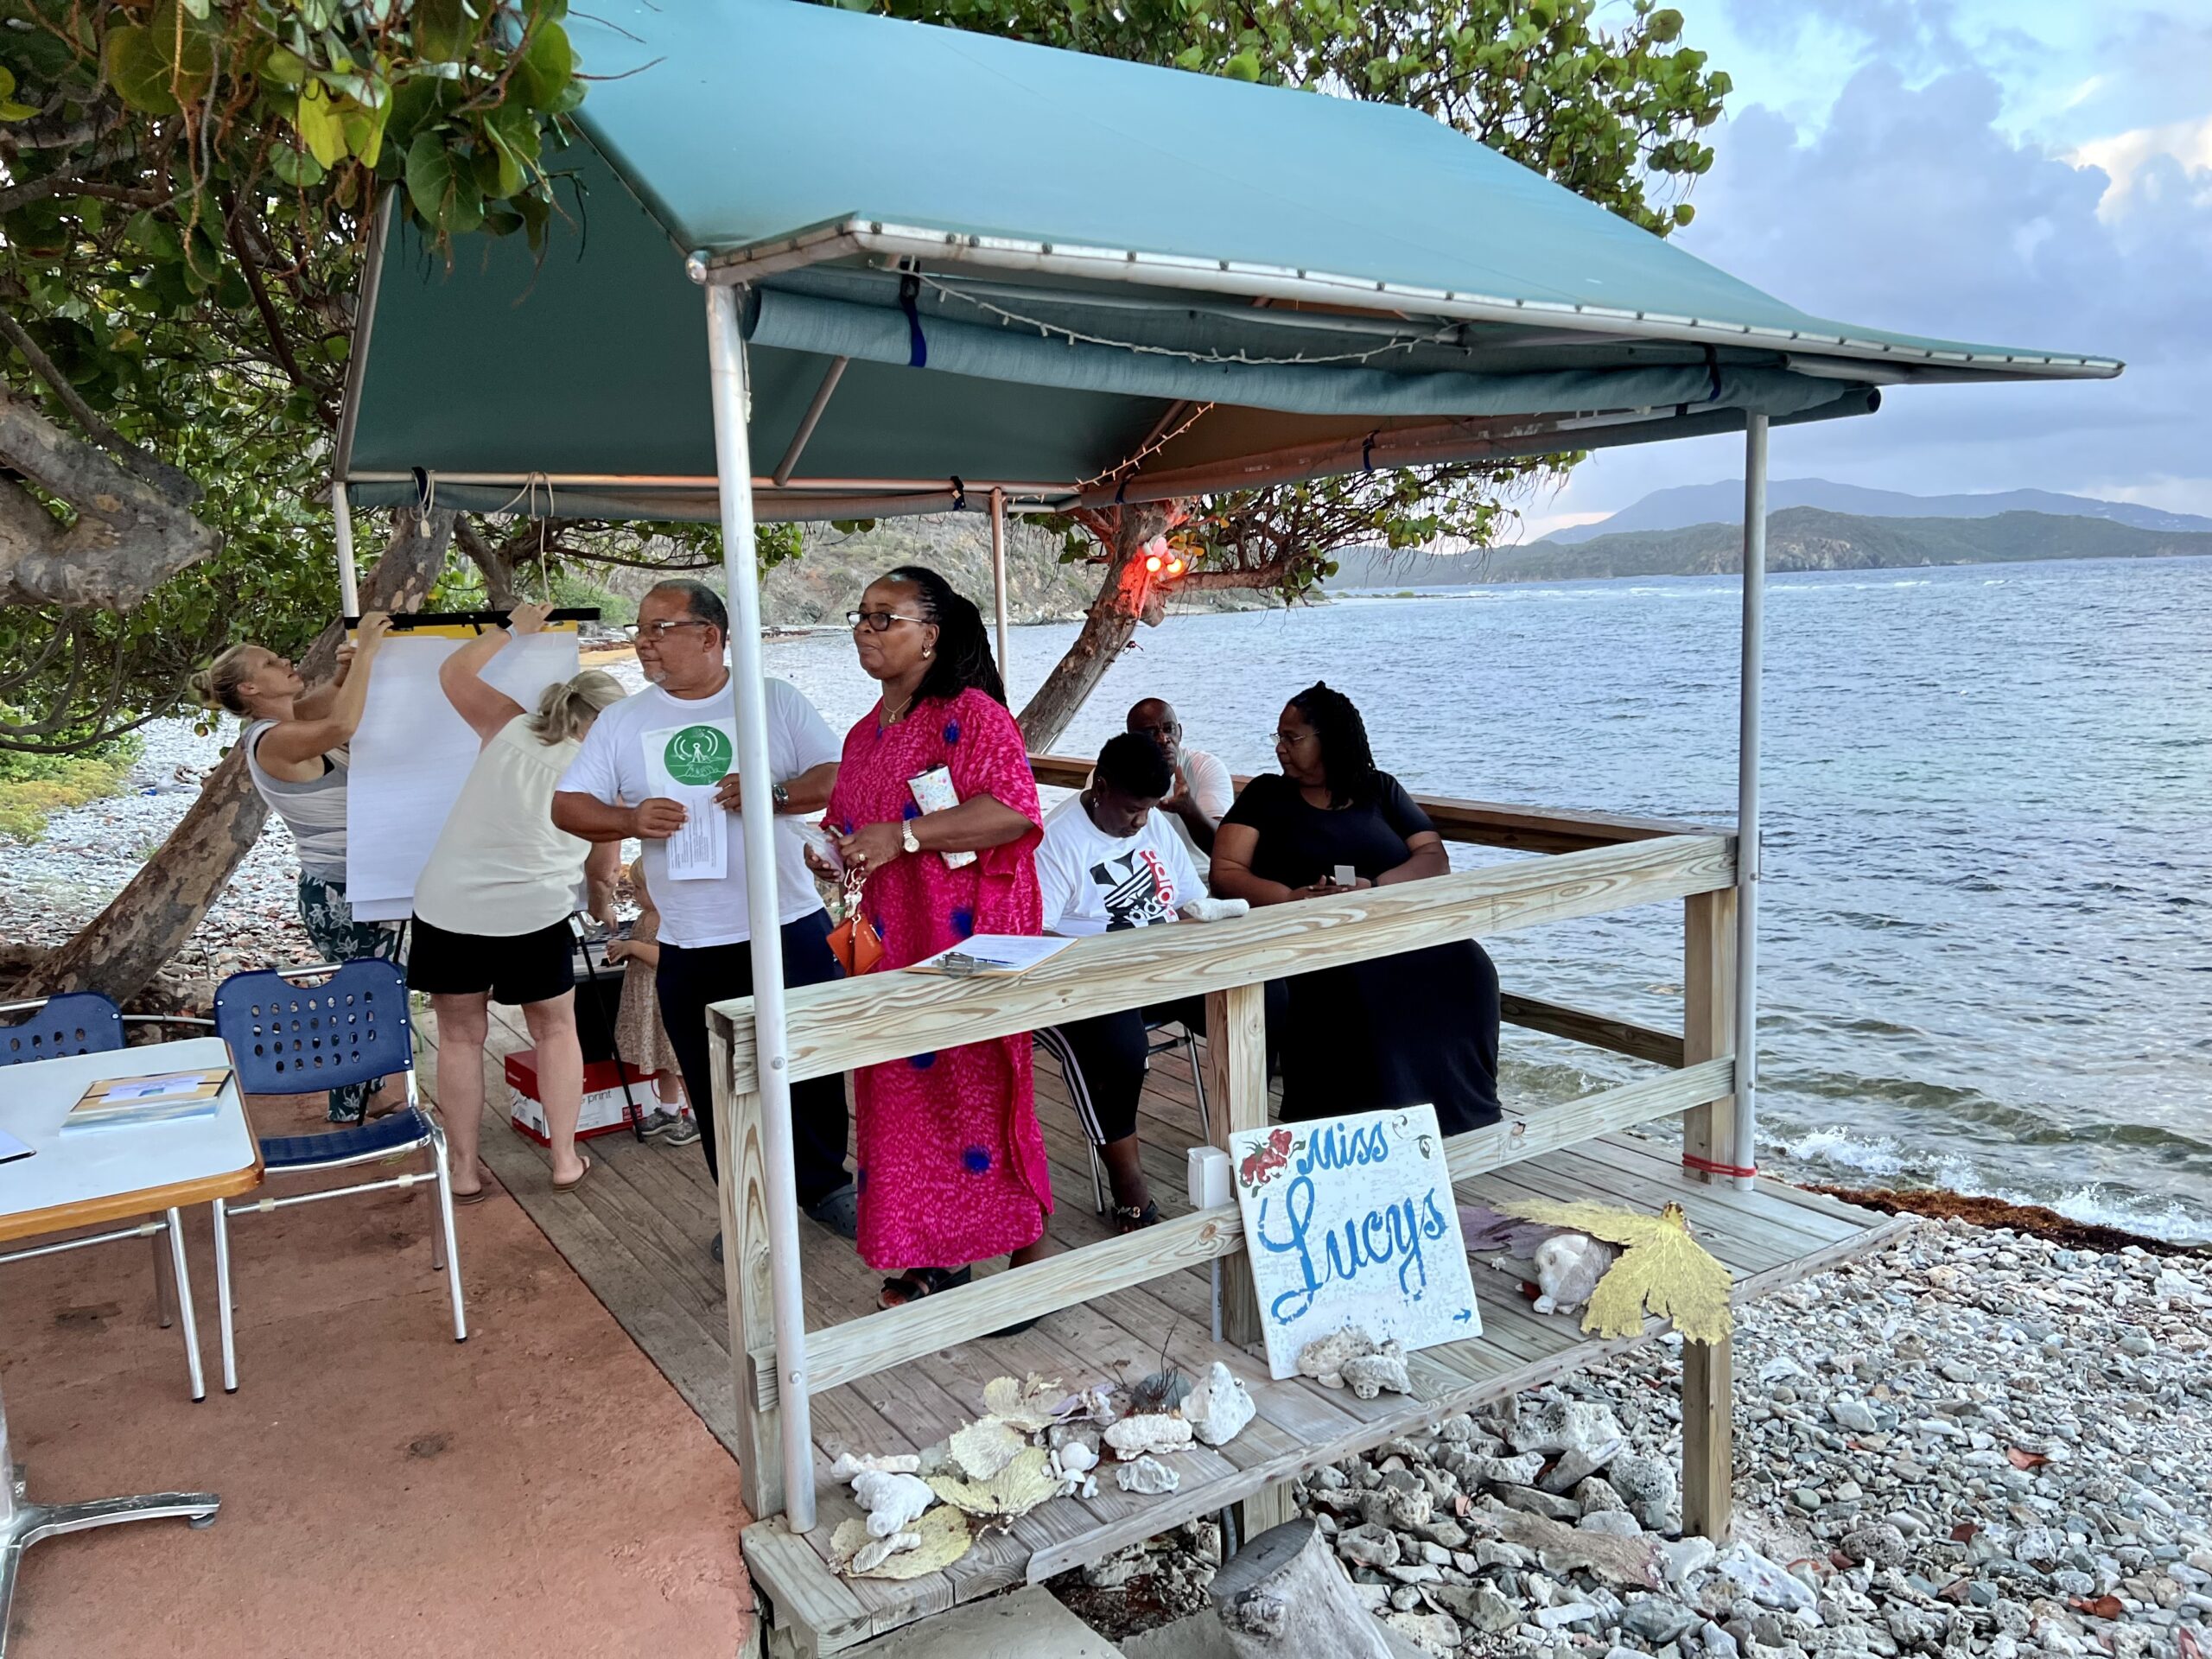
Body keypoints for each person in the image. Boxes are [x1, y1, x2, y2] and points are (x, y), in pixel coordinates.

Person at [551, 579, 851, 1259]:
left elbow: (838, 775)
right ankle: (747, 1204)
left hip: (788, 920)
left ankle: (826, 1185)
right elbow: (567, 806)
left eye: (660, 628)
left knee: (809, 1064)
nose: (642, 641)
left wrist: (775, 794)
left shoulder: (769, 699)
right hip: (690, 936)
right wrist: (629, 819)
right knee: (716, 1081)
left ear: (710, 636)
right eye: (641, 628)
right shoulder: (625, 722)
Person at [815, 565, 1052, 1309]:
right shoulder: (863, 734)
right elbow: (855, 823)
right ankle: (930, 1256)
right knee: (898, 1101)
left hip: (969, 938)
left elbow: (1012, 811)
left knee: (980, 1093)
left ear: (932, 637)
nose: (866, 629)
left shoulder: (973, 714)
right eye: (861, 615)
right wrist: (831, 847)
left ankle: (1022, 1266)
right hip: (889, 942)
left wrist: (906, 835)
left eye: (886, 618)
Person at [1210, 682, 1503, 1135]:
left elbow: (1433, 857)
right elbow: (1226, 871)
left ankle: (1459, 1117)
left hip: (1392, 927)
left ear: (1329, 739)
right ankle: (1377, 1127)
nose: (1281, 749)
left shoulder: (1379, 789)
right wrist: (1290, 898)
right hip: (1310, 939)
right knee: (1359, 988)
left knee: (1470, 966)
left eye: (1293, 738)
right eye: (1278, 738)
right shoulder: (1266, 795)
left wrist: (1376, 887)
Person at [408, 602, 625, 1198]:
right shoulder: (608, 775)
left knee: (458, 1038)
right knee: (556, 1031)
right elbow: (603, 869)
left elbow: (453, 674)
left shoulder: (512, 725)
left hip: (449, 903)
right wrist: (605, 905)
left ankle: (463, 1169)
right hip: (533, 913)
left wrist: (512, 631)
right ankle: (562, 1159)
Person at [192, 612, 400, 1122]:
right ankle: (345, 1116)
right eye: (269, 662)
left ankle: (366, 1096)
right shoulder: (274, 739)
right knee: (360, 1001)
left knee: (373, 992)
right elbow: (343, 724)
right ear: (249, 686)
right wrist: (369, 650)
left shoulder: (290, 719)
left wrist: (348, 673)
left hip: (358, 883)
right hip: (339, 892)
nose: (285, 661)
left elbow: (333, 696)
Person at [1034, 732, 1212, 1230]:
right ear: (1102, 787)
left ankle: (1245, 1141)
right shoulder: (1058, 840)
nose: (1141, 823)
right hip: (1087, 979)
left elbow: (1189, 905)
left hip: (1160, 968)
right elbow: (1039, 934)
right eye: (1134, 810)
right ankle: (1128, 1187)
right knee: (1118, 1046)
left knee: (1264, 998)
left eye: (1150, 810)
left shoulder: (1153, 821)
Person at [605, 859, 698, 1147]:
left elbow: (665, 957)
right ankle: (669, 1109)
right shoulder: (646, 917)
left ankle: (697, 1117)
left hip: (663, 996)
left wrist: (632, 947)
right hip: (646, 998)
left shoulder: (671, 919)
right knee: (661, 1058)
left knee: (678, 1060)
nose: (635, 894)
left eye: (640, 888)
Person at [1125, 698, 1232, 873]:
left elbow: (1224, 848)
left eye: (1169, 729)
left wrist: (1188, 809)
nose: (1163, 739)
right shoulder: (1113, 773)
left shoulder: (1205, 767)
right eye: (1150, 733)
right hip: (1140, 881)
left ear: (1180, 732)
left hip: (1202, 877)